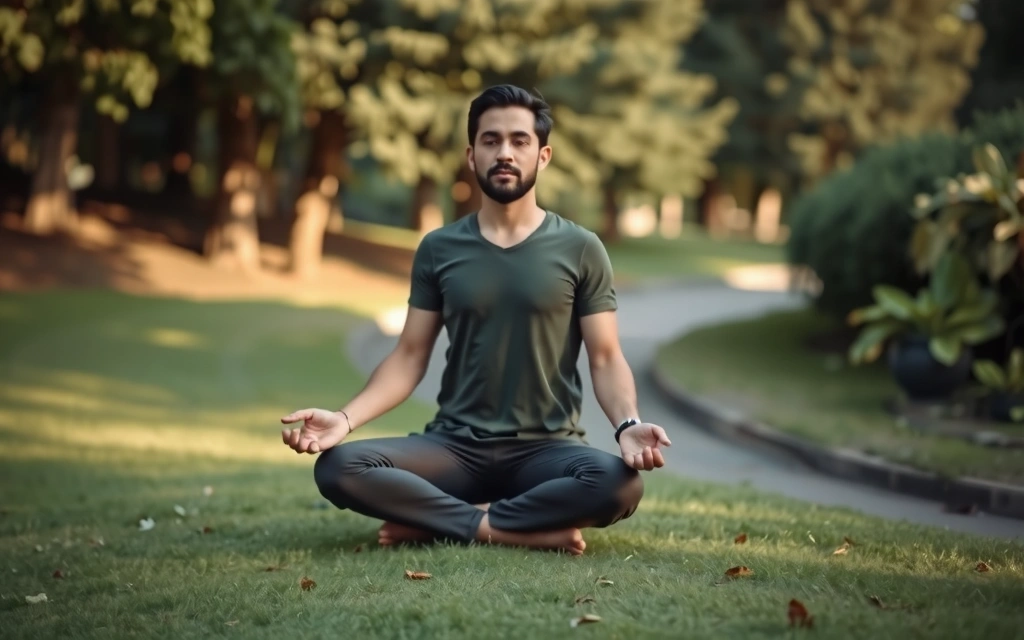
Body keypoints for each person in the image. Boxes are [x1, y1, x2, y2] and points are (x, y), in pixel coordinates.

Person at [280, 84, 672, 556]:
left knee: (618, 484)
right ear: (471, 155)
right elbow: (408, 356)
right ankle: (509, 528)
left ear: (543, 156)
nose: (504, 152)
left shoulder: (581, 248)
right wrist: (344, 420)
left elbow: (606, 357)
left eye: (519, 141)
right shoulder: (438, 248)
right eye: (491, 140)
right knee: (338, 467)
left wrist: (627, 424)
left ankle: (440, 521)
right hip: (454, 449)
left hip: (547, 450)